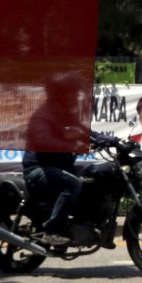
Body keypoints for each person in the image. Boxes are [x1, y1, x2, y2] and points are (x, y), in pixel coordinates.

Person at [22, 72, 90, 242]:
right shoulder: (43, 115)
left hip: (59, 167)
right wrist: (72, 147)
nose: (76, 96)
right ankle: (52, 230)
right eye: (72, 92)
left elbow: (83, 131)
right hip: (39, 171)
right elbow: (43, 141)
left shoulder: (65, 114)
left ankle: (82, 221)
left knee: (93, 176)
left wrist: (113, 141)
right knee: (73, 184)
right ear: (61, 94)